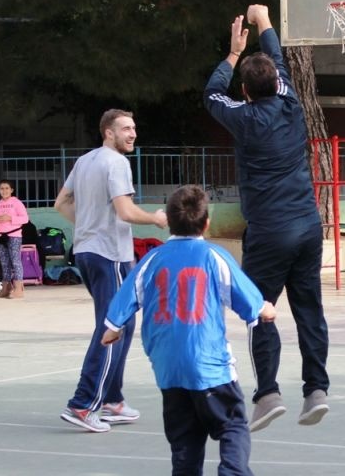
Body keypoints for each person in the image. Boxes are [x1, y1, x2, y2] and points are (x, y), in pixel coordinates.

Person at [203, 5, 330, 432]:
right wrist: (265, 23)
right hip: (308, 225)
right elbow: (278, 63)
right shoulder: (292, 103)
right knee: (309, 309)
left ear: (245, 90)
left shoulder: (241, 116)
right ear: (277, 84)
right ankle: (316, 390)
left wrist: (234, 53)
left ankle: (269, 392)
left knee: (260, 309)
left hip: (270, 231)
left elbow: (211, 93)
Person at [101, 185, 276, 475]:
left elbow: (125, 297)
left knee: (185, 443)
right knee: (232, 425)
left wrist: (113, 327)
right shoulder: (213, 256)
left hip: (168, 370)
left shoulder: (152, 259)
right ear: (206, 223)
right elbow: (251, 303)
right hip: (208, 367)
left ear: (168, 221)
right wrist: (265, 308)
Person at [54, 108, 169, 433]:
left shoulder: (86, 161)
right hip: (109, 256)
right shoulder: (116, 163)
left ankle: (112, 400)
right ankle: (83, 403)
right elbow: (126, 211)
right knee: (113, 326)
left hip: (89, 252)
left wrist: (89, 226)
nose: (132, 134)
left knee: (124, 323)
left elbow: (60, 204)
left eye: (134, 128)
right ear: (108, 132)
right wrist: (157, 219)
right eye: (125, 129)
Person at [0, 179, 30, 299]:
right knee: (4, 263)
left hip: (14, 236)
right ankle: (6, 288)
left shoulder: (17, 203)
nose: (4, 191)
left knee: (15, 261)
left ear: (12, 190)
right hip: (1, 236)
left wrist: (10, 217)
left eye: (7, 188)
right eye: (2, 188)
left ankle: (19, 288)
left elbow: (25, 219)